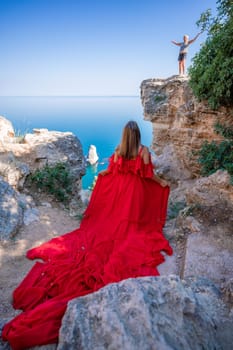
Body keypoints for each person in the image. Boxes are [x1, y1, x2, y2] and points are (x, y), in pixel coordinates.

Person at [2, 120, 173, 350]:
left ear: (124, 136)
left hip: (120, 191)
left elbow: (111, 169)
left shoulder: (118, 150)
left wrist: (100, 176)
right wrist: (163, 182)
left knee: (111, 223)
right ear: (138, 134)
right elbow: (149, 176)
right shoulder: (143, 151)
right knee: (132, 225)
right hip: (135, 193)